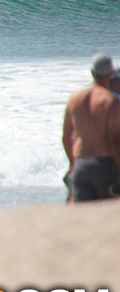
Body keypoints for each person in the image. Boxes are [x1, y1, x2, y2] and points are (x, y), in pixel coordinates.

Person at [62, 53, 120, 202]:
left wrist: (73, 164)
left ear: (92, 72)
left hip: (81, 163)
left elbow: (67, 137)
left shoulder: (74, 98)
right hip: (105, 164)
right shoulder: (110, 101)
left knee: (83, 217)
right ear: (111, 73)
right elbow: (115, 138)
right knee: (107, 216)